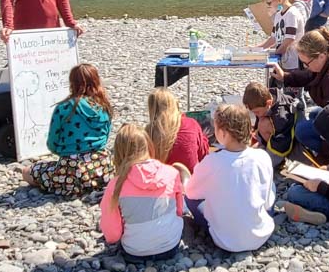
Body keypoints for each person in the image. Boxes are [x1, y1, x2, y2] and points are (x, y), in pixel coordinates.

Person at [185, 104, 275, 252]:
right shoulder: (262, 156)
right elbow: (267, 202)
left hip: (224, 240)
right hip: (261, 235)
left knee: (190, 198)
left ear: (223, 133)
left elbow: (191, 192)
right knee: (271, 186)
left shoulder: (212, 161)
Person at [21, 63, 113, 196]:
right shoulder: (104, 106)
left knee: (27, 172)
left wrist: (66, 152)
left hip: (71, 171)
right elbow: (105, 137)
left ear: (72, 83)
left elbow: (52, 143)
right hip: (102, 168)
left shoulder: (63, 108)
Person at [99, 124, 184, 261]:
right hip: (170, 246)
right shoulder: (171, 173)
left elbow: (112, 235)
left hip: (134, 251)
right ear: (148, 145)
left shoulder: (116, 184)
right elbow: (179, 212)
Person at [146, 87, 210, 174]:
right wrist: (204, 139)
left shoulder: (149, 132)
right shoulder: (190, 123)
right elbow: (203, 154)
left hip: (162, 182)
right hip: (190, 180)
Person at [242, 81, 303, 168]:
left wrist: (267, 160)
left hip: (286, 143)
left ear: (269, 103)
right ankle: (263, 147)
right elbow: (259, 118)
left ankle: (275, 158)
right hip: (275, 137)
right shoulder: (265, 99)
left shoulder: (281, 116)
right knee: (262, 122)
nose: (256, 114)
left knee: (264, 124)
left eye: (257, 112)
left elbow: (282, 143)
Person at [257, 0, 304, 70]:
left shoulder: (292, 14)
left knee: (291, 83)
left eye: (269, 3)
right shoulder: (278, 15)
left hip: (293, 61)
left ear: (279, 0)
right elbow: (273, 38)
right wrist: (256, 49)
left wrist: (276, 53)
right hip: (283, 58)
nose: (267, 6)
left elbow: (289, 39)